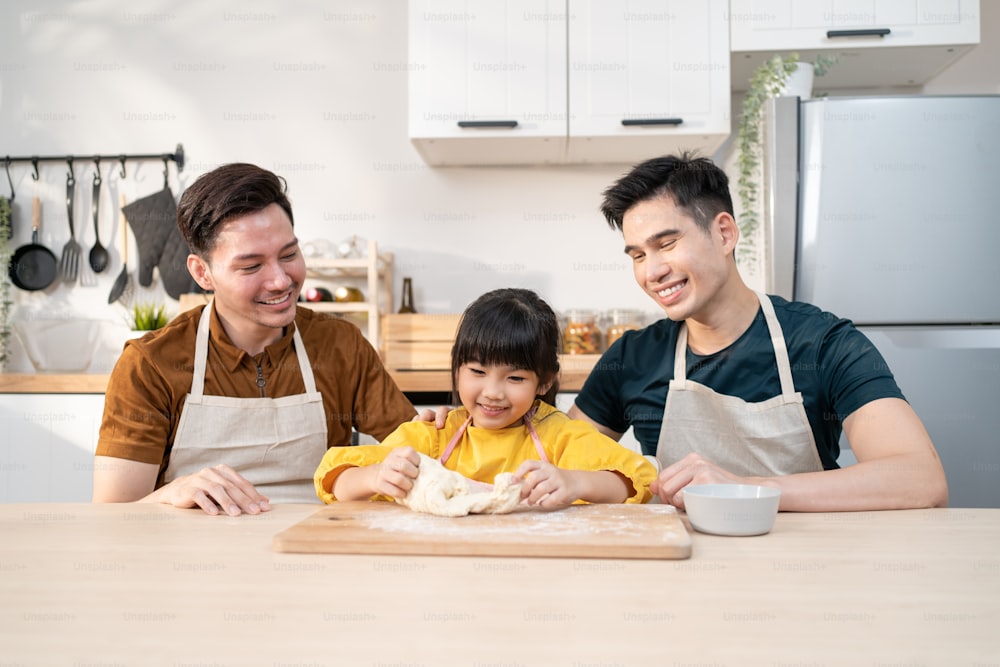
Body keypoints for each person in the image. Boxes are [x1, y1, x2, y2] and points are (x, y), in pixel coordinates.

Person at [568, 154, 948, 512]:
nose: (651, 272)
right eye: (637, 256)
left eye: (666, 244)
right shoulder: (632, 358)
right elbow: (557, 462)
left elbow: (920, 479)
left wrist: (744, 488)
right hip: (681, 572)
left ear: (724, 234)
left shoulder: (822, 343)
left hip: (810, 571)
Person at [92, 163, 417, 515]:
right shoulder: (151, 364)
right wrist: (172, 492)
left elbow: (419, 450)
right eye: (251, 267)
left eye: (289, 255)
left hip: (313, 554)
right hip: (193, 562)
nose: (280, 280)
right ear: (202, 273)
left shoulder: (339, 345)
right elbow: (113, 515)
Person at [315, 288, 656, 508]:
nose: (493, 392)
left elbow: (637, 480)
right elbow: (333, 479)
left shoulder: (559, 437)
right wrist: (375, 476)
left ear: (544, 382)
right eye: (477, 372)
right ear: (457, 369)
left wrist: (576, 481)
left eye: (515, 378)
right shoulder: (436, 434)